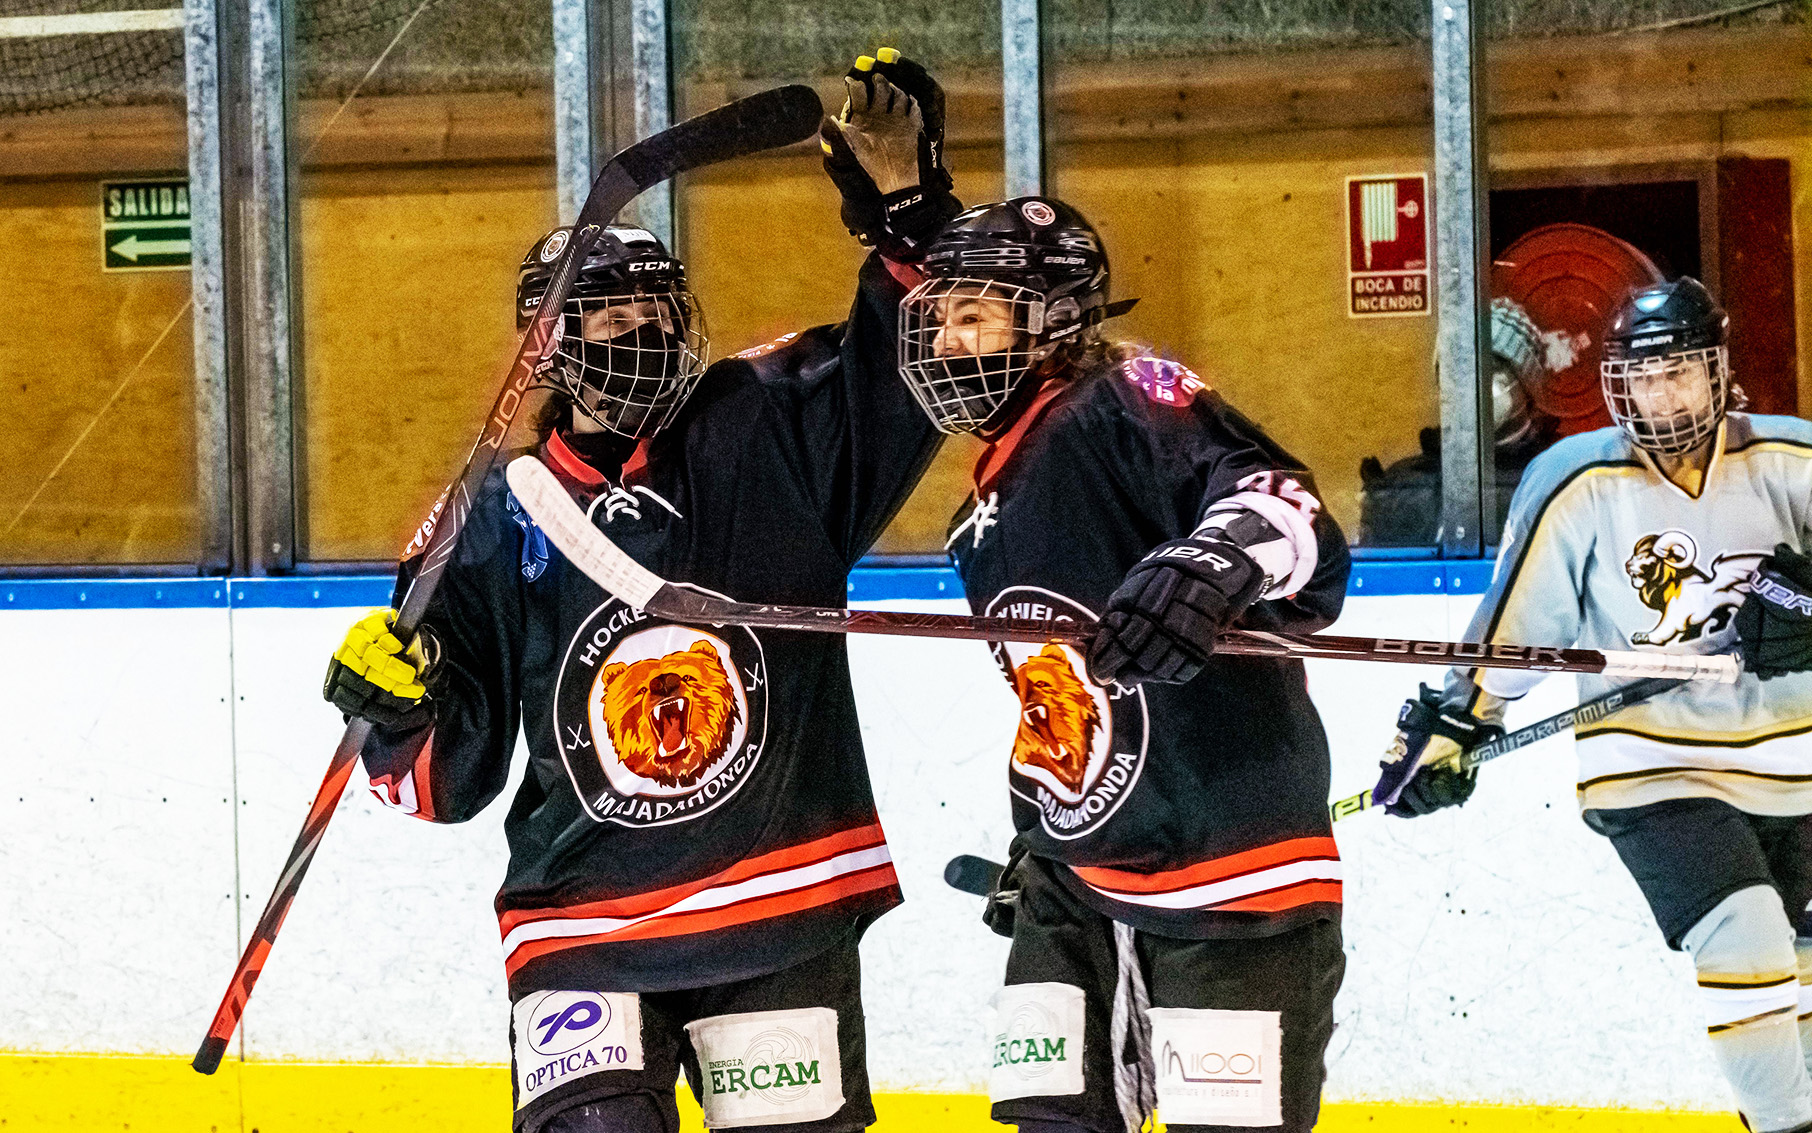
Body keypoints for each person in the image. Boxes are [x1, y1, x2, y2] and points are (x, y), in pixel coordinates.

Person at [319, 52, 961, 1133]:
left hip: (779, 902)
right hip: (581, 919)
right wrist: (392, 710)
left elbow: (919, 368)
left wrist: (908, 211)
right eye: (610, 320)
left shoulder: (763, 423)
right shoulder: (482, 518)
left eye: (660, 313)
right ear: (548, 349)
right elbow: (444, 779)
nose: (646, 337)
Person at [899, 197, 1352, 1133]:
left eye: (972, 314)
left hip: (1235, 872)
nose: (945, 339)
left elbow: (1288, 505)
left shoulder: (1124, 397)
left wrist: (1213, 559)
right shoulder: (975, 514)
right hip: (1072, 885)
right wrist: (1036, 828)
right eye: (940, 315)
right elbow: (1059, 705)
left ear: (1056, 319)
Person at [1377, 277, 1812, 1133]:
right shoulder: (1577, 479)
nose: (1660, 394)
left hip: (1796, 761)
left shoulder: (1791, 459)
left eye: (1679, 373)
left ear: (1718, 373)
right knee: (1744, 934)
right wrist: (1454, 726)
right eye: (1642, 378)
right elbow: (1518, 627)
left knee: (1797, 968)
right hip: (1650, 766)